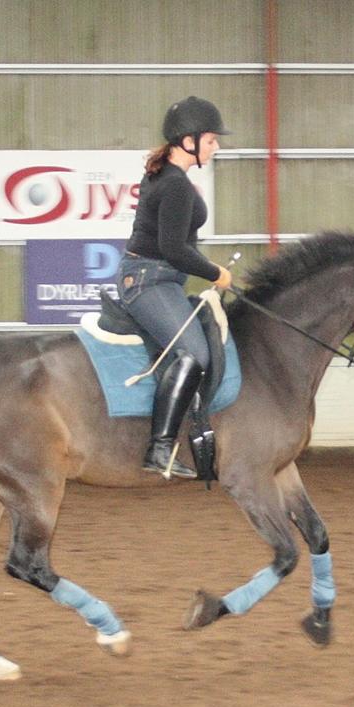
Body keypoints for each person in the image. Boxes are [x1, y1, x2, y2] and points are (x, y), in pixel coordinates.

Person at [119, 96, 234, 479]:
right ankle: (160, 448)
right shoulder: (175, 185)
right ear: (189, 141)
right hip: (150, 281)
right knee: (193, 354)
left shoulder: (168, 177)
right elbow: (173, 249)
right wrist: (215, 273)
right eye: (211, 140)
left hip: (160, 279)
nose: (216, 146)